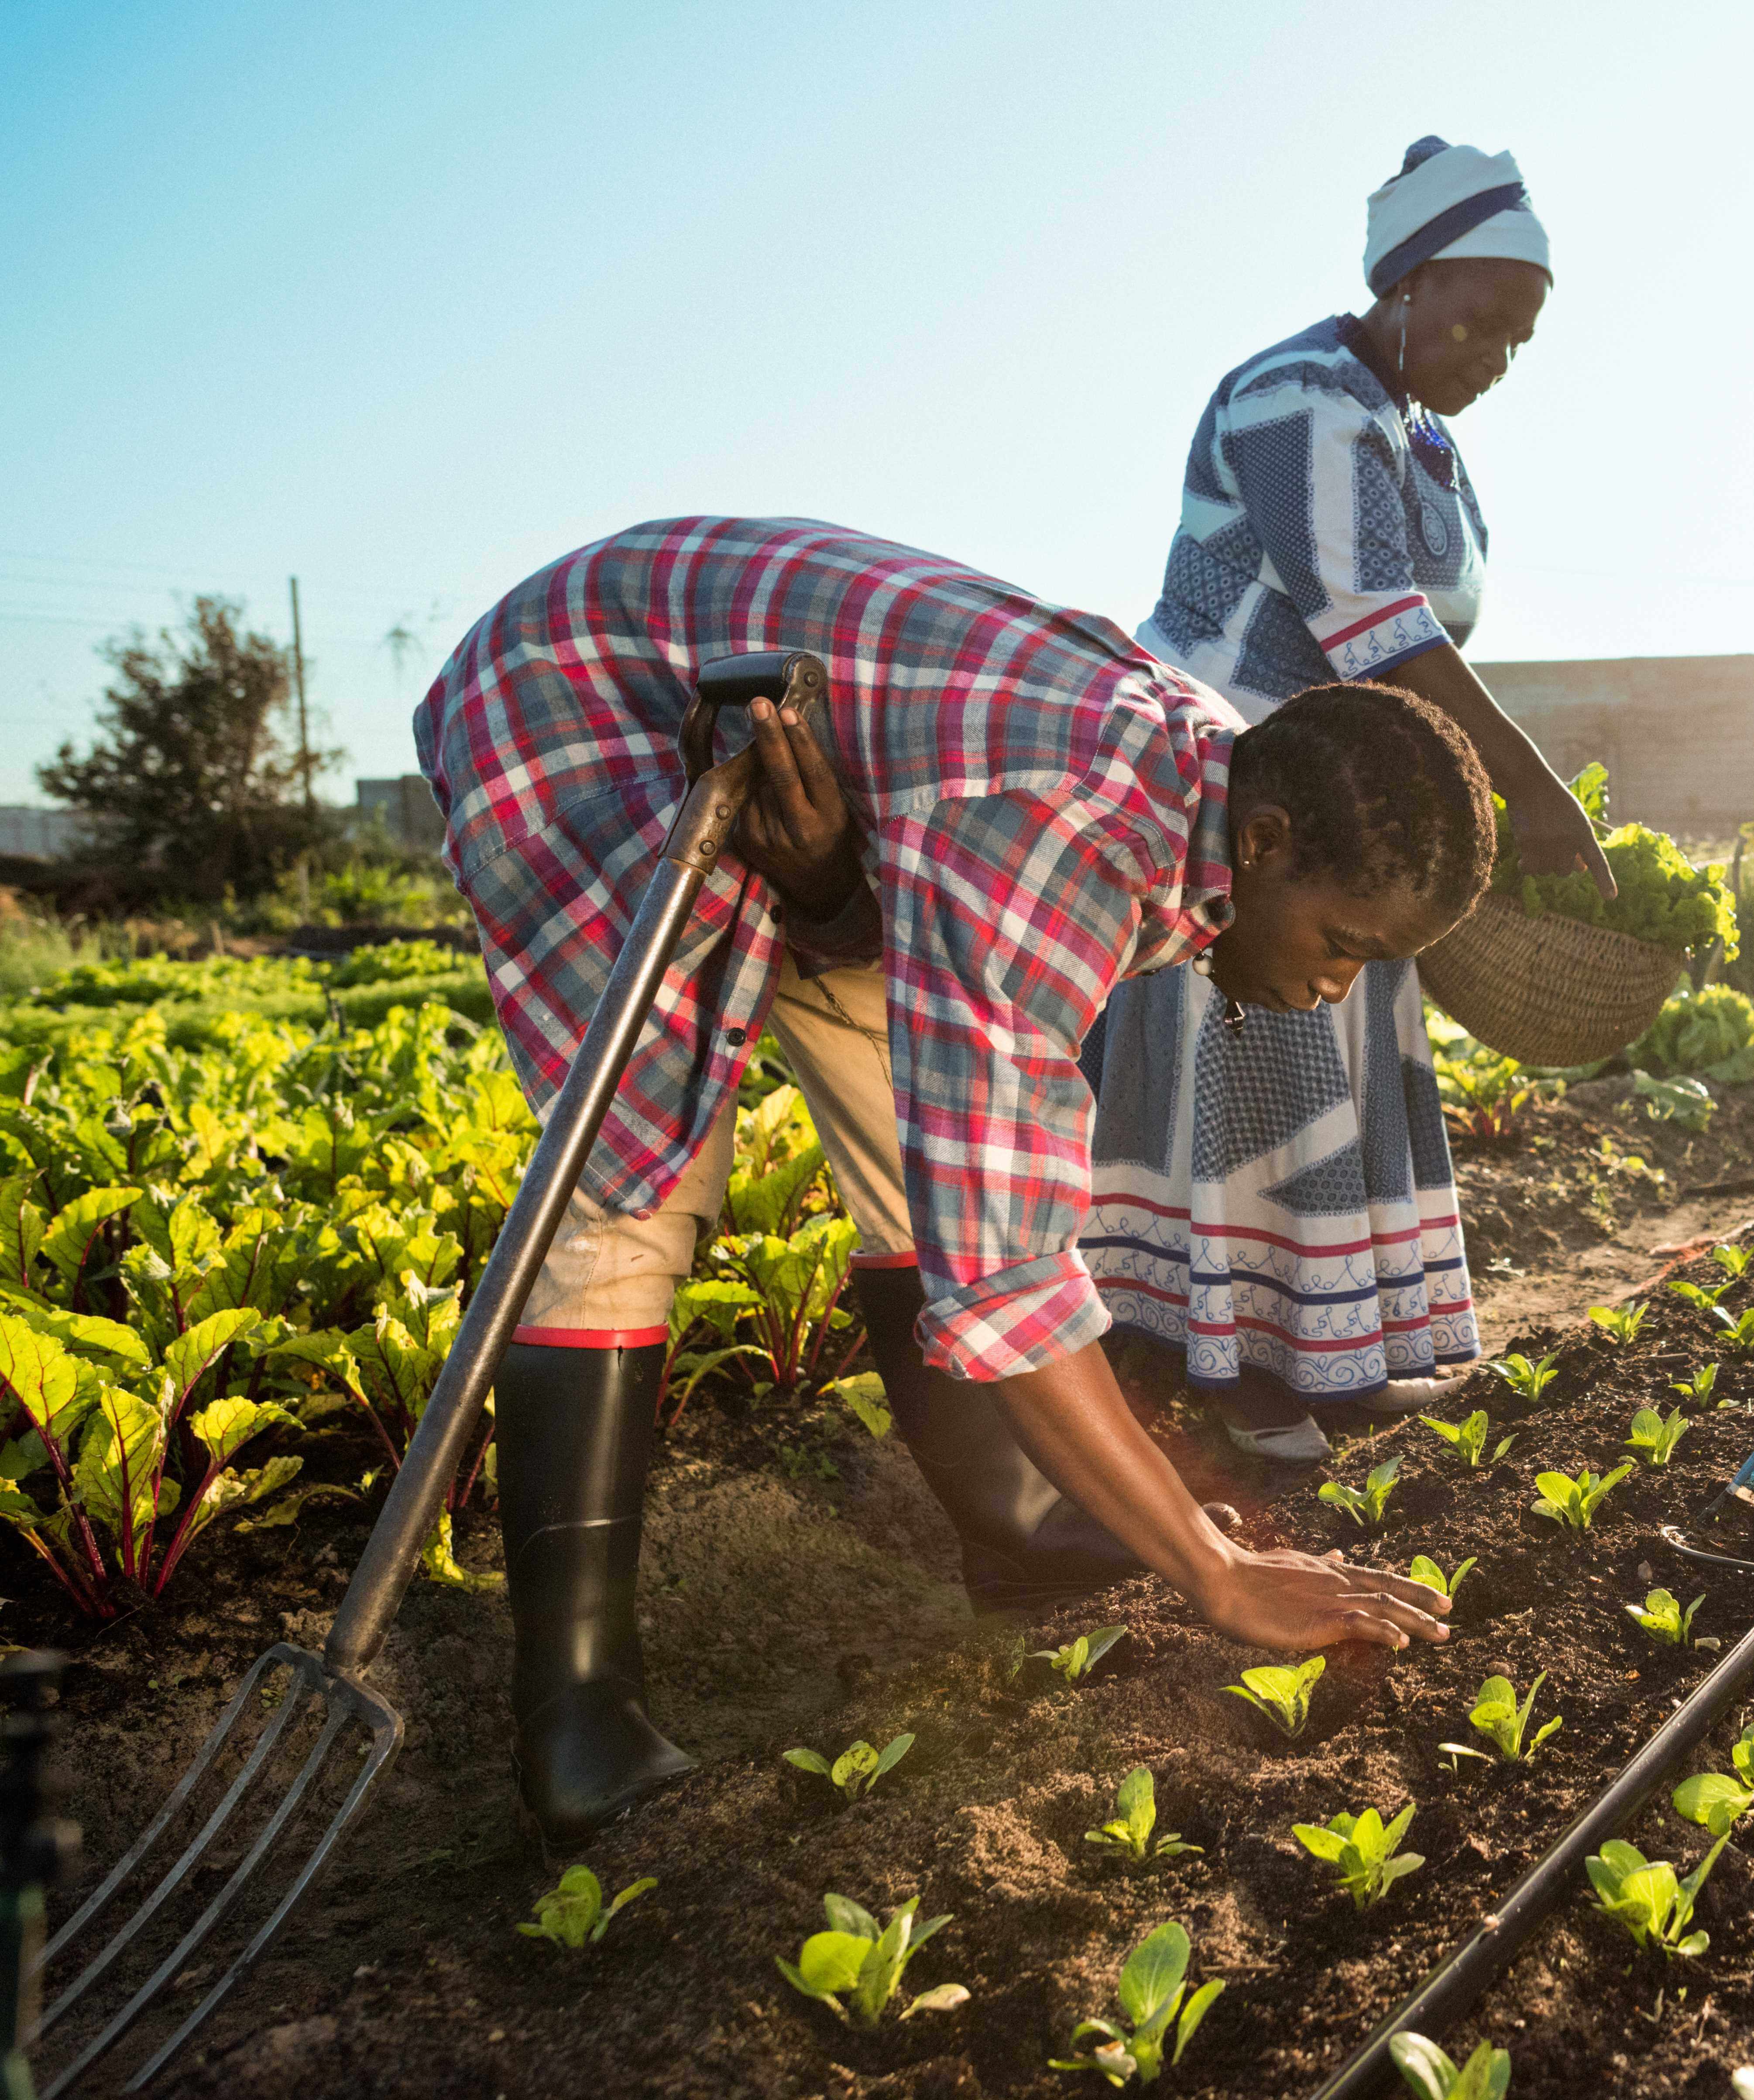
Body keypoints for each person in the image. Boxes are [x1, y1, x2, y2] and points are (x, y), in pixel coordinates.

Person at [415, 515, 1474, 1844]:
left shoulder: (1216, 782)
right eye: (1342, 944)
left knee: (914, 1135)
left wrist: (820, 883)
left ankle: (1019, 1526)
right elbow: (1014, 1267)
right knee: (631, 1177)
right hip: (579, 696)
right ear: (1260, 844)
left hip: (846, 783)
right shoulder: (1062, 826)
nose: (1334, 987)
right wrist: (1214, 1569)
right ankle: (574, 1715)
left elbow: (974, 1154)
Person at [1083, 137, 1609, 1463]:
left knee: (1338, 1059)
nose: (1494, 351)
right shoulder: (1297, 397)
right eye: (1481, 317)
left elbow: (1423, 641)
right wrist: (1529, 792)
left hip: (1349, 794)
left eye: (1521, 338)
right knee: (1254, 1054)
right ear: (1409, 282)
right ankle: (1230, 1367)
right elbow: (1376, 625)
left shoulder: (1418, 436)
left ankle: (1332, 1353)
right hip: (1234, 780)